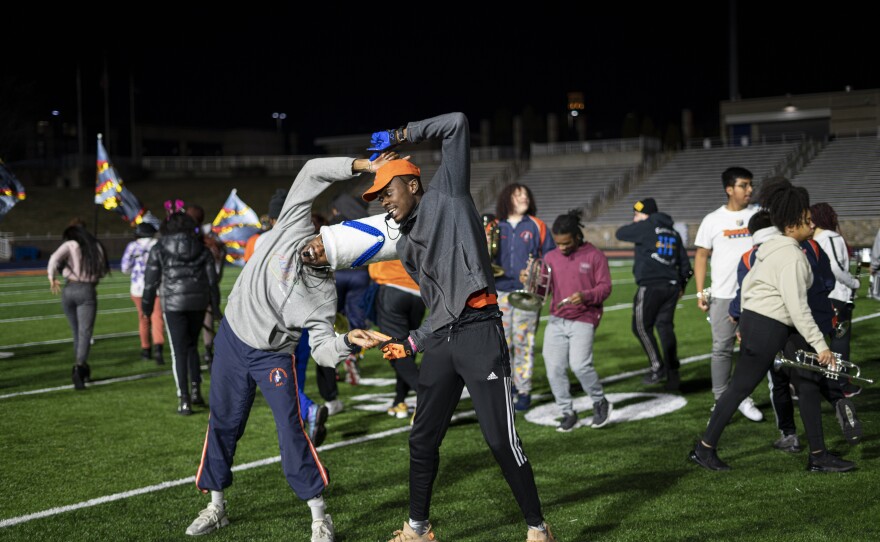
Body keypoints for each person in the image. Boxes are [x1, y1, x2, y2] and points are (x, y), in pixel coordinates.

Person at [360, 113, 555, 542]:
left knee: (500, 440)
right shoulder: (407, 246)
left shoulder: (447, 193)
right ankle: (418, 529)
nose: (383, 201)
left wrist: (398, 134)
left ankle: (538, 528)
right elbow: (440, 308)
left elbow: (458, 124)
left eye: (386, 191)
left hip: (480, 333)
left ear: (412, 184)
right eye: (378, 197)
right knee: (421, 439)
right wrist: (414, 341)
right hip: (443, 343)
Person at [184, 153, 393, 542]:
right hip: (232, 337)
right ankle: (216, 506)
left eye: (324, 254)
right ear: (320, 230)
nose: (313, 250)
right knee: (224, 423)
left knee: (291, 430)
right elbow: (313, 171)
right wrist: (362, 167)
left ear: (335, 264)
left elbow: (322, 351)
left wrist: (348, 341)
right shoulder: (293, 226)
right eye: (319, 242)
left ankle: (318, 516)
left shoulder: (322, 297)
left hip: (272, 356)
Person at [689, 177, 855, 473]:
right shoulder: (791, 255)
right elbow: (797, 307)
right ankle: (704, 449)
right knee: (741, 387)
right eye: (806, 220)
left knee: (807, 382)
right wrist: (821, 346)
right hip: (769, 324)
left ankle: (818, 455)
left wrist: (746, 319)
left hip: (769, 322)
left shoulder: (774, 247)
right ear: (790, 226)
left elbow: (753, 282)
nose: (811, 225)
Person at [729, 210, 862, 454]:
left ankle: (790, 435)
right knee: (814, 373)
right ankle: (838, 401)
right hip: (816, 320)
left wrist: (737, 317)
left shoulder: (754, 256)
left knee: (779, 382)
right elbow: (827, 281)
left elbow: (745, 294)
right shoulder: (811, 246)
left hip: (780, 324)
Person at [243, 189, 328, 446]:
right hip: (302, 316)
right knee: (295, 371)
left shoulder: (258, 241)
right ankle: (300, 422)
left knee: (272, 375)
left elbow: (249, 282)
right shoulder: (307, 240)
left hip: (272, 320)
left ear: (271, 216)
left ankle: (306, 411)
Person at [693, 166, 763, 422]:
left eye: (750, 184)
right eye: (744, 185)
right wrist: (701, 291)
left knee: (752, 349)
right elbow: (701, 255)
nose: (750, 190)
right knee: (721, 349)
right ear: (729, 189)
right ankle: (721, 400)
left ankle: (743, 396)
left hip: (757, 295)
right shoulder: (713, 219)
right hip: (723, 295)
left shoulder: (759, 215)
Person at [541, 209, 613, 432]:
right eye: (558, 243)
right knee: (553, 368)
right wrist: (531, 279)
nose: (561, 247)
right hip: (557, 318)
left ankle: (600, 401)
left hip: (584, 316)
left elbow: (605, 287)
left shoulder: (594, 256)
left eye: (566, 243)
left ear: (577, 236)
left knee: (580, 365)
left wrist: (586, 295)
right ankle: (567, 411)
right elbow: (543, 290)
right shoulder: (550, 257)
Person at [142, 211, 221, 415]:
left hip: (173, 305)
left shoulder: (159, 248)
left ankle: (184, 399)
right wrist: (215, 307)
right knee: (192, 347)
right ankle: (196, 391)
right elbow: (212, 282)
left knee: (179, 352)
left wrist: (146, 308)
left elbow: (150, 282)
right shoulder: (202, 248)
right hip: (198, 303)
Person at [615, 197, 692, 391]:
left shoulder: (646, 226)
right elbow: (685, 265)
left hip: (651, 286)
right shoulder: (673, 232)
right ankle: (673, 374)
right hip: (672, 286)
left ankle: (658, 367)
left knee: (640, 326)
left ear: (646, 214)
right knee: (665, 328)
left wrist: (642, 223)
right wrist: (681, 284)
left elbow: (620, 233)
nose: (634, 218)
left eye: (637, 214)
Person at [491, 183, 554, 411]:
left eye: (526, 195)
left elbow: (550, 260)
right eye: (518, 195)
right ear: (507, 198)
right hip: (500, 293)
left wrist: (535, 272)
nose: (524, 198)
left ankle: (524, 389)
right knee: (502, 344)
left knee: (524, 342)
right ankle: (509, 386)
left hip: (527, 295)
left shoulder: (538, 225)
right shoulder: (495, 225)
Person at [316, 193, 372, 416]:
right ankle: (354, 355)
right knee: (356, 320)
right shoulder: (363, 224)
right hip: (360, 275)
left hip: (336, 276)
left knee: (329, 325)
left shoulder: (331, 227)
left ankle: (333, 371)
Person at [47, 223, 110, 390]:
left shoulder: (70, 244)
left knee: (77, 332)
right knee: (85, 333)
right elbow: (102, 271)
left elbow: (54, 258)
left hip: (68, 289)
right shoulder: (96, 246)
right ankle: (79, 367)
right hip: (87, 290)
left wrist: (52, 277)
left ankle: (82, 364)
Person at [810, 202, 862, 397]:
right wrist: (854, 283)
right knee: (840, 340)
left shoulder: (813, 240)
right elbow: (836, 268)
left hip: (818, 297)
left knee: (817, 342)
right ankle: (841, 384)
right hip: (835, 297)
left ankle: (813, 382)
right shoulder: (831, 237)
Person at [369, 259, 425, 419]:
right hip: (418, 293)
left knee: (395, 350)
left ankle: (428, 395)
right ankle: (399, 401)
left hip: (392, 288)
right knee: (406, 350)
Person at [186, 204, 228, 369]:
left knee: (193, 325)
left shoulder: (193, 238)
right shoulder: (212, 239)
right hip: (208, 286)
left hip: (192, 287)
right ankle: (209, 352)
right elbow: (217, 271)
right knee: (208, 319)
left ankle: (202, 354)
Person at [120, 222, 165, 365]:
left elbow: (125, 268)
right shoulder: (158, 244)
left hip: (138, 288)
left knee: (143, 318)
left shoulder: (133, 246)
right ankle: (159, 349)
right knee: (157, 318)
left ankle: (146, 349)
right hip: (156, 287)